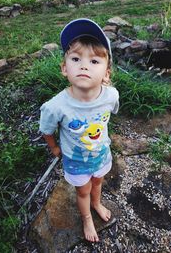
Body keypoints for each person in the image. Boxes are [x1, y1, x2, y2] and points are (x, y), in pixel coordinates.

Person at [39, 18, 119, 242]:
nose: (84, 65)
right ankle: (86, 217)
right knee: (82, 190)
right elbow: (46, 129)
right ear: (65, 68)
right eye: (76, 58)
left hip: (101, 153)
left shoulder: (111, 96)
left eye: (94, 61)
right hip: (76, 161)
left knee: (98, 182)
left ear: (106, 74)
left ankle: (96, 203)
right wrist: (54, 147)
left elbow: (107, 118)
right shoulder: (56, 106)